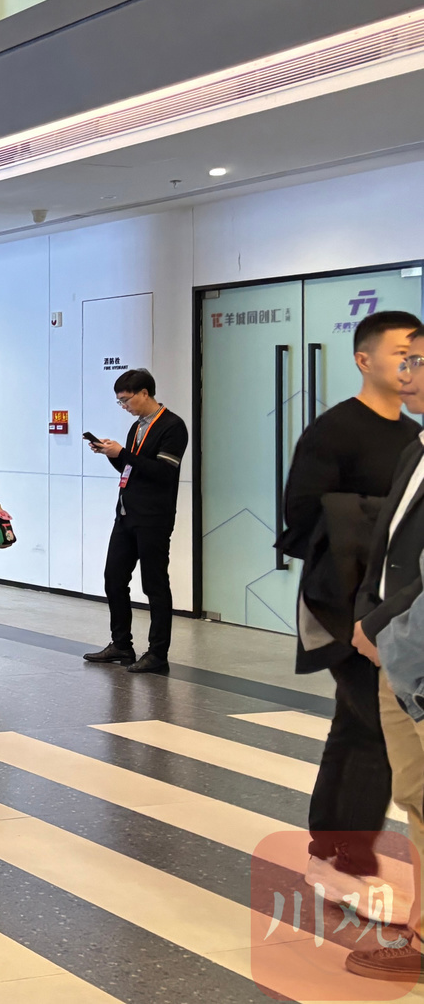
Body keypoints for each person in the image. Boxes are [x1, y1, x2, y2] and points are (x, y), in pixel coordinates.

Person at [272, 311, 423, 898]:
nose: (410, 365)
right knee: (374, 722)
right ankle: (350, 854)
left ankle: (332, 846)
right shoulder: (334, 430)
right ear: (364, 359)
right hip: (340, 599)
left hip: (393, 608)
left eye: (417, 356)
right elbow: (300, 516)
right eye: (402, 353)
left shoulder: (411, 438)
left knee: (356, 720)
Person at [346, 328, 424, 981]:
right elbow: (392, 549)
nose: (408, 373)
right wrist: (366, 615)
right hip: (400, 655)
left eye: (419, 362)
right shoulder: (415, 447)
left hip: (410, 644)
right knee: (417, 796)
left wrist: (378, 624)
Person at [81, 369, 190, 675]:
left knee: (154, 584)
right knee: (113, 578)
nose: (125, 406)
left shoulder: (172, 426)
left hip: (154, 518)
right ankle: (121, 644)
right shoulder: (136, 427)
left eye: (126, 400)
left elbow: (163, 472)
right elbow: (131, 470)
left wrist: (124, 453)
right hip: (126, 514)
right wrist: (112, 454)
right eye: (120, 402)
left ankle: (158, 653)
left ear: (145, 393)